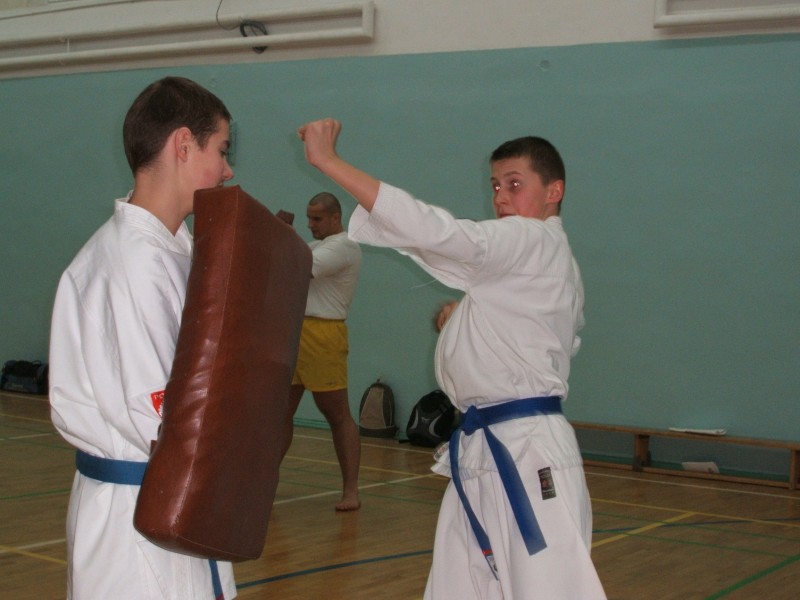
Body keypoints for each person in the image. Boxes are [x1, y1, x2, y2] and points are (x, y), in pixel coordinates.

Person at [296, 119, 606, 599]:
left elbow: (438, 234)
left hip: (525, 451)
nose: (501, 197)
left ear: (554, 191)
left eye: (515, 184)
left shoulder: (533, 239)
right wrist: (466, 323)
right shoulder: (543, 259)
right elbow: (537, 336)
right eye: (496, 186)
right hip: (487, 444)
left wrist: (330, 162)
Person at [49, 77, 237, 599]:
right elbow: (162, 416)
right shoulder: (131, 263)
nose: (228, 169)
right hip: (138, 524)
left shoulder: (175, 249)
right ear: (184, 145)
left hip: (170, 505)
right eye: (222, 150)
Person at [282, 191, 363, 511]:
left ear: (335, 218)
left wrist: (283, 235)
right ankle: (264, 483)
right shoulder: (315, 246)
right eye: (308, 218)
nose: (311, 224)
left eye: (316, 219)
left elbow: (301, 265)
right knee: (280, 414)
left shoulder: (344, 246)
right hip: (296, 332)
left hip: (324, 335)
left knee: (337, 414)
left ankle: (351, 490)